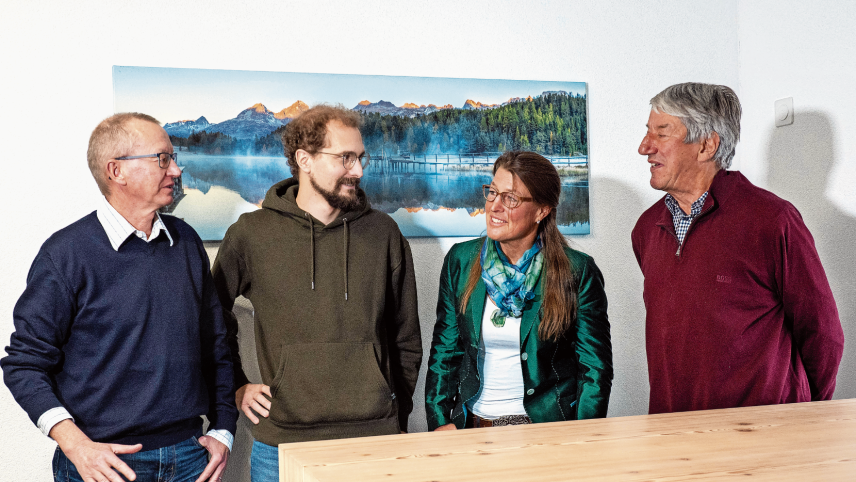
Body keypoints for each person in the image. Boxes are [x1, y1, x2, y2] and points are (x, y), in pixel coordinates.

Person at [2, 113, 237, 482]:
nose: (175, 170)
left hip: (191, 458)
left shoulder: (187, 242)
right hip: (104, 465)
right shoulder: (65, 254)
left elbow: (215, 345)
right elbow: (23, 364)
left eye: (173, 158)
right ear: (116, 171)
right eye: (162, 158)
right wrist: (75, 445)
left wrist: (224, 430)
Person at [211, 104, 422, 481]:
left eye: (360, 158)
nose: (357, 170)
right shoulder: (251, 234)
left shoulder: (384, 233)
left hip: (375, 442)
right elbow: (210, 322)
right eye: (345, 158)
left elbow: (406, 339)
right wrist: (238, 387)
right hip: (282, 447)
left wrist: (394, 415)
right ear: (304, 160)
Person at [632, 82, 845, 414]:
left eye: (661, 134)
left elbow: (823, 335)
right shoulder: (646, 228)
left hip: (764, 439)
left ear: (707, 144)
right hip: (673, 438)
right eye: (648, 132)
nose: (645, 147)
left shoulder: (773, 220)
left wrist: (808, 418)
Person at [425, 151, 612, 430]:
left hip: (546, 430)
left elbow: (594, 370)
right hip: (473, 426)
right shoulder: (460, 261)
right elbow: (445, 351)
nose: (494, 206)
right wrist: (439, 422)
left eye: (510, 198)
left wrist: (582, 435)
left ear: (541, 210)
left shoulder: (577, 271)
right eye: (492, 192)